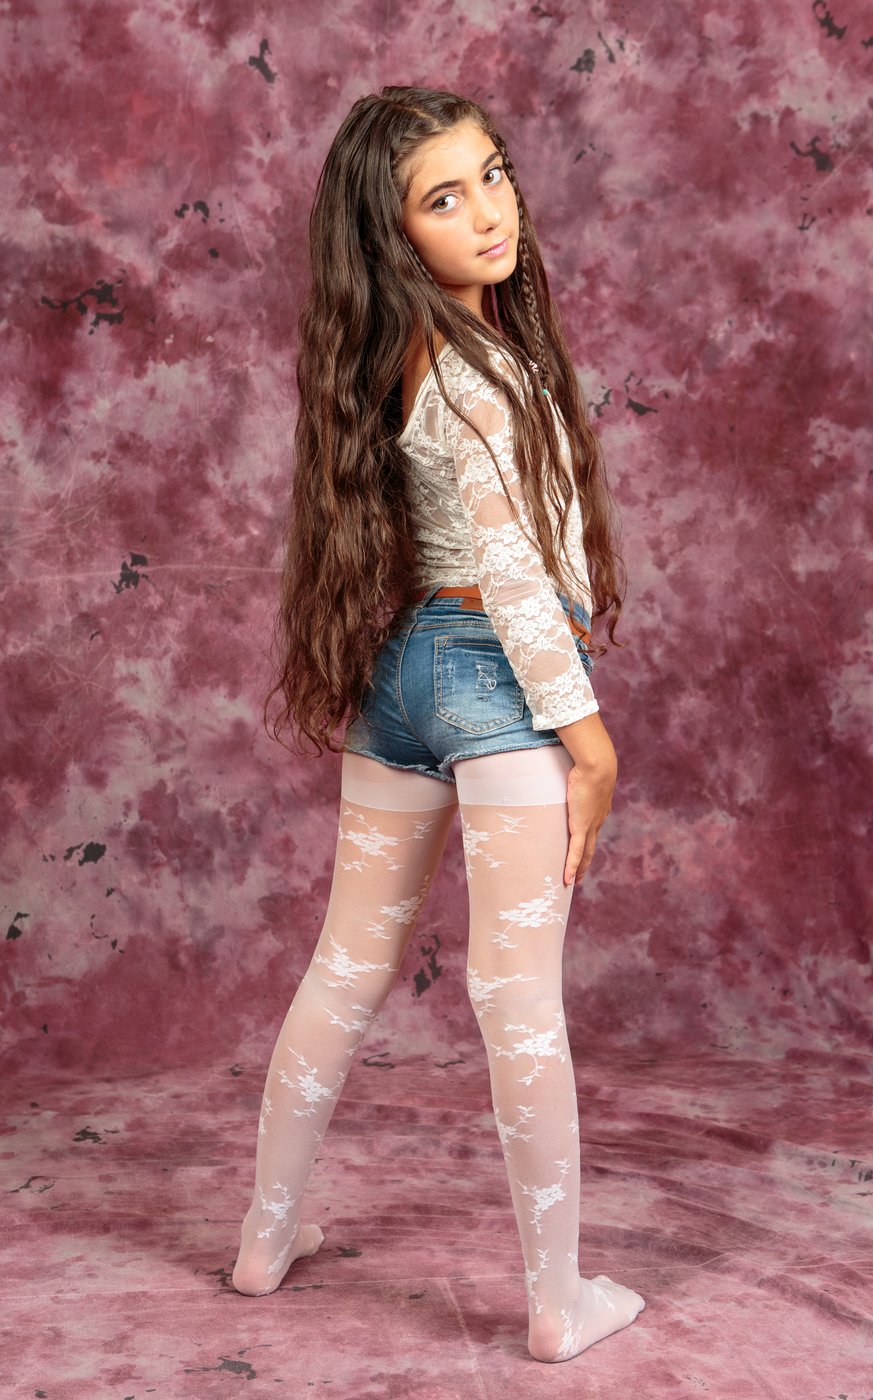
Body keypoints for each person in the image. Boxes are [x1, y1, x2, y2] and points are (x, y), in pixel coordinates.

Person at [231, 84, 645, 1364]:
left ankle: (262, 1238)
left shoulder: (401, 358)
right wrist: (589, 742)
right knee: (515, 994)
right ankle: (558, 1301)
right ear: (394, 232)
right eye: (443, 198)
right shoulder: (488, 375)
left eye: (493, 174)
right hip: (495, 678)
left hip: (402, 676)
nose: (488, 212)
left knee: (346, 966)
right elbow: (517, 584)